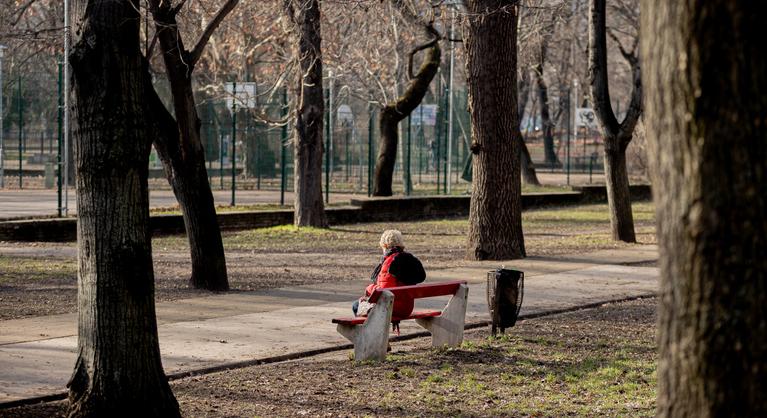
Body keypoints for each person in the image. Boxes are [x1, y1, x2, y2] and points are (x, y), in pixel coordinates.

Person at [353, 229, 426, 318]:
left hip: (391, 309)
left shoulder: (390, 263)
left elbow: (385, 292)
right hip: (407, 309)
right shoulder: (410, 260)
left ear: (385, 245)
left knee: (356, 305)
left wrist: (369, 288)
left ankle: (370, 331)